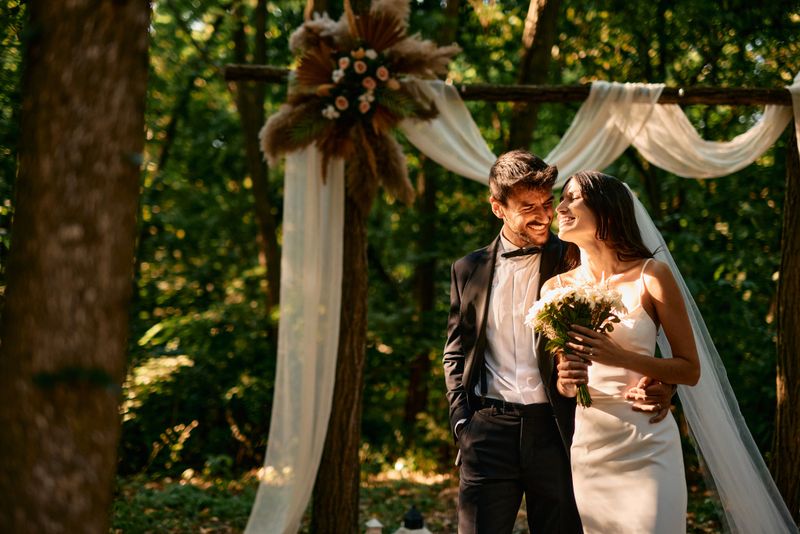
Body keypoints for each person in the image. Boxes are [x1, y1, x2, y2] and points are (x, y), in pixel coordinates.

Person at [442, 151, 675, 534]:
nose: (545, 215)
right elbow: (456, 350)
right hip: (487, 431)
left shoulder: (573, 258)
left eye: (548, 202)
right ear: (498, 208)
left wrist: (667, 384)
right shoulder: (467, 270)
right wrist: (462, 423)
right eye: (528, 207)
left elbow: (636, 318)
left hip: (560, 430)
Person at [546, 170, 701, 533]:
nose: (560, 207)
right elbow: (564, 381)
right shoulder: (555, 289)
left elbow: (690, 369)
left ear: (608, 214)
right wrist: (567, 382)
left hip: (647, 439)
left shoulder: (652, 276)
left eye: (572, 198)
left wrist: (624, 359)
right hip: (592, 446)